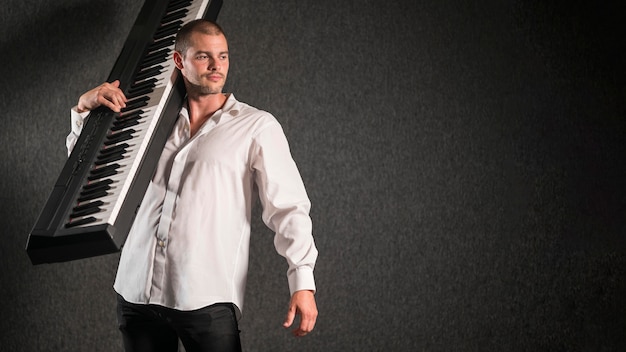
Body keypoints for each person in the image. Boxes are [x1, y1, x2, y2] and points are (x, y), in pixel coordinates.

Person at [67, 19, 318, 352]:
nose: (216, 66)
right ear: (179, 61)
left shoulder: (256, 126)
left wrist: (302, 281)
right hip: (136, 292)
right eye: (203, 56)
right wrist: (84, 110)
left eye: (223, 56)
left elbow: (288, 207)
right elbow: (89, 171)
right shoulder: (149, 122)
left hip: (205, 298)